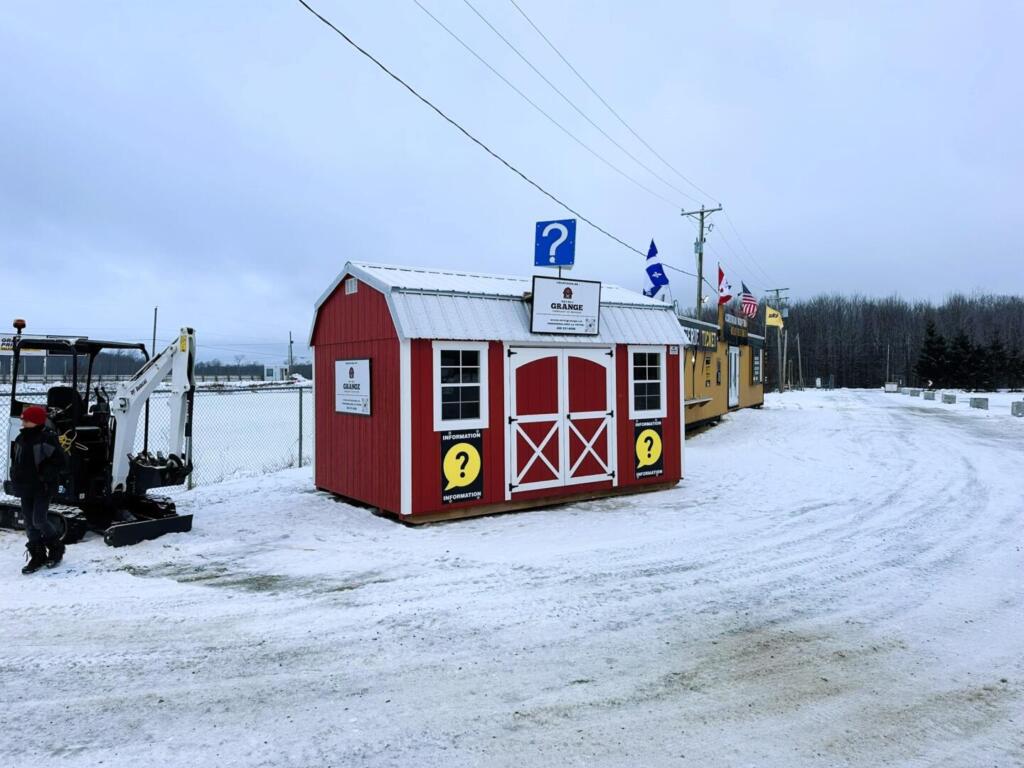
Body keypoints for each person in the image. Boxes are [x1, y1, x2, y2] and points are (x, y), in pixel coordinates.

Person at [10, 405, 67, 574]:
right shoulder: (21, 438)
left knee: (38, 520)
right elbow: (16, 461)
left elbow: (60, 462)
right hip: (24, 487)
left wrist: (46, 475)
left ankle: (56, 549)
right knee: (29, 523)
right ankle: (38, 555)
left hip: (42, 487)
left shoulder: (46, 438)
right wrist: (14, 476)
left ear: (36, 422)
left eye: (26, 420)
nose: (23, 422)